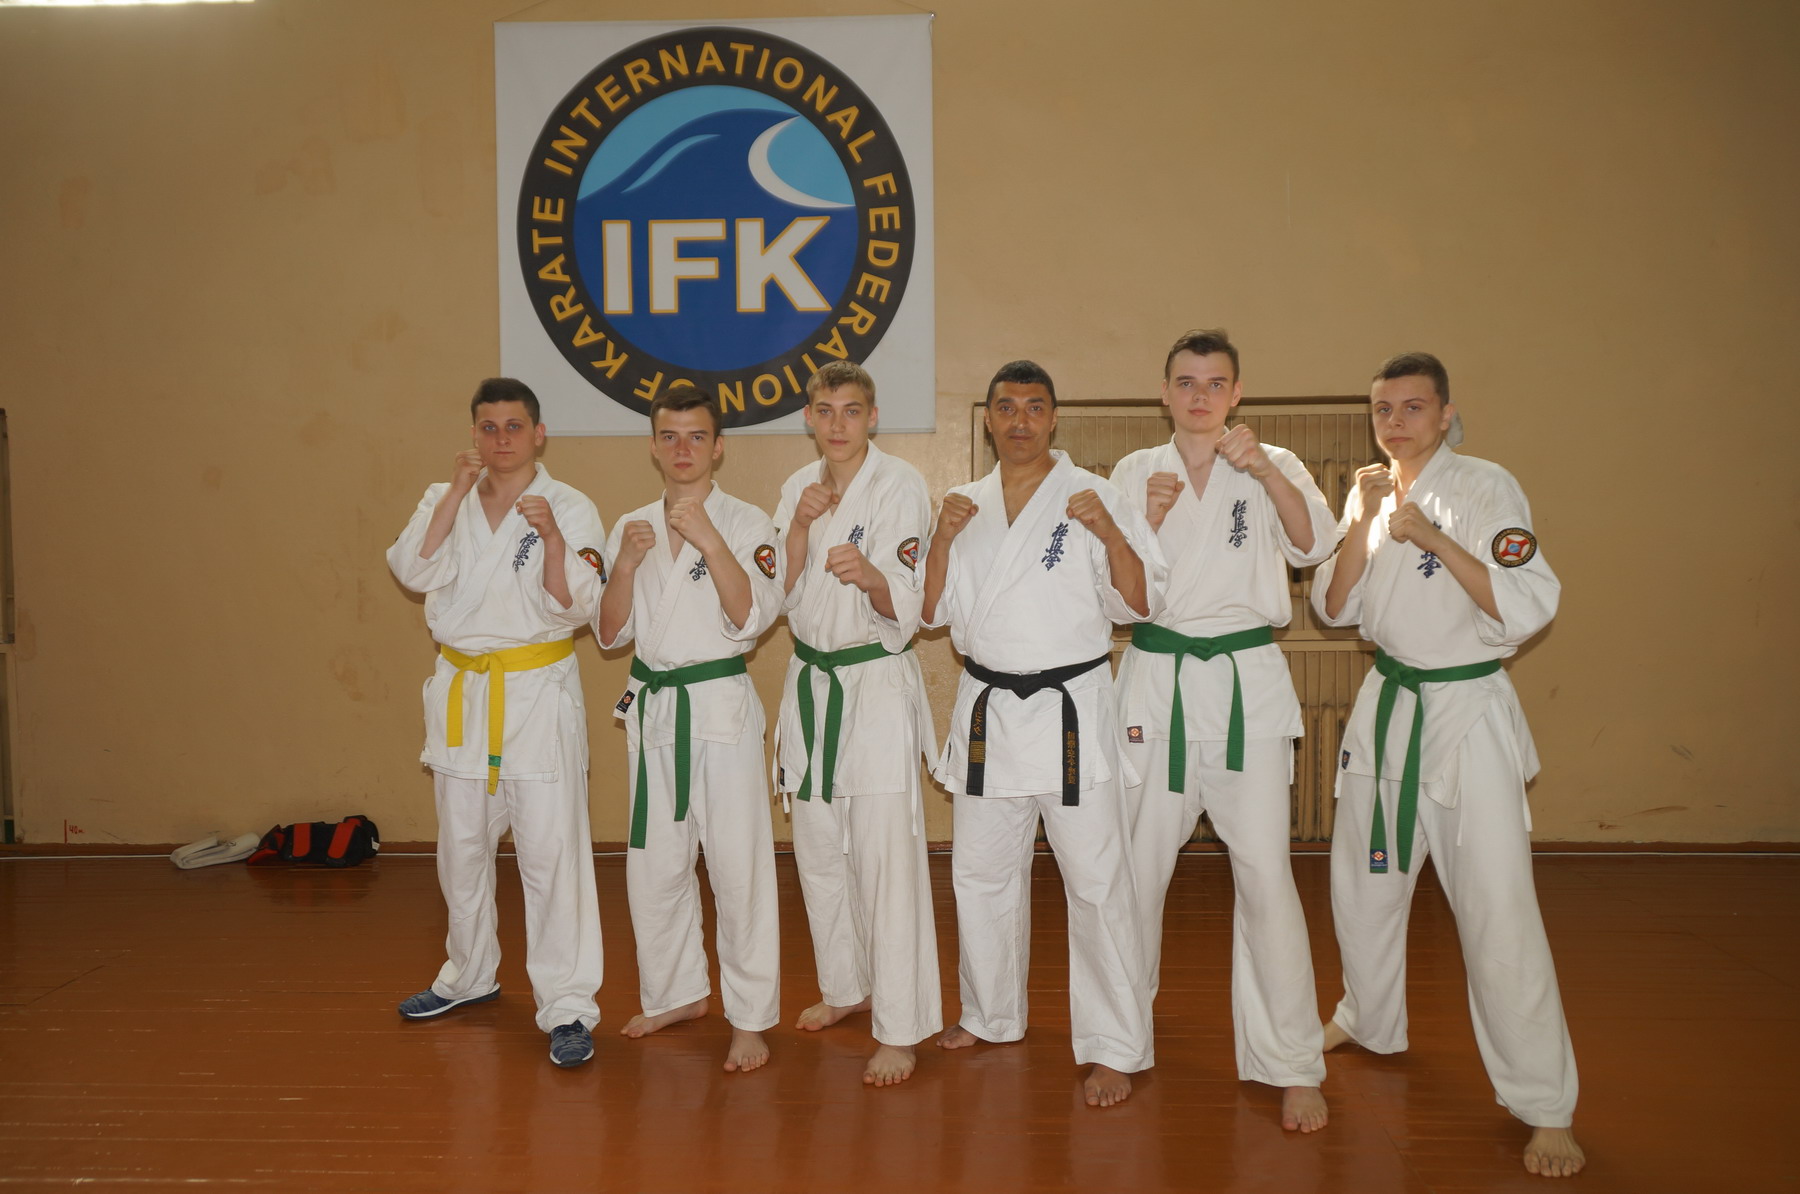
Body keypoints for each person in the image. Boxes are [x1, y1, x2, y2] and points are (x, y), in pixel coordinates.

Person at [1313, 352, 1583, 1177]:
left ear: (1445, 413)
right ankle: (1368, 1016)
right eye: (1382, 409)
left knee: (1497, 909)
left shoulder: (1485, 488)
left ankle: (1545, 1104)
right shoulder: (1370, 491)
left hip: (1466, 715)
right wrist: (1365, 518)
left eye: (1412, 407)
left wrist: (1430, 536)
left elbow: (1526, 603)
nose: (1395, 422)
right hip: (1389, 708)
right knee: (1361, 888)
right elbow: (1333, 607)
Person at [1112, 329, 1339, 1132]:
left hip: (1246, 685)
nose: (1200, 396)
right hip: (1156, 684)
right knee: (1135, 872)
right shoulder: (1134, 471)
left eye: (1215, 383)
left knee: (1267, 877)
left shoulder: (1274, 462)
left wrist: (1267, 472)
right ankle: (1118, 1040)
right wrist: (1142, 522)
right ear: (1164, 393)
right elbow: (1113, 595)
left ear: (1237, 393)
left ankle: (1290, 1060)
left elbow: (1314, 546)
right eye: (1186, 382)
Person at [923, 359, 1166, 1108]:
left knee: (1096, 882)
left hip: (1070, 710)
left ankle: (1116, 1045)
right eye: (1006, 407)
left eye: (1035, 407)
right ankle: (991, 1014)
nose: (1020, 421)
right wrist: (940, 541)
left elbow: (1140, 604)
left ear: (1054, 418)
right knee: (981, 873)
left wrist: (1112, 533)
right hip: (990, 711)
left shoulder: (1095, 495)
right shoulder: (963, 504)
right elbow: (929, 615)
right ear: (988, 419)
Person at [386, 377, 607, 1068]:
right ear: (474, 434)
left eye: (514, 427)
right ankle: (468, 975)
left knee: (551, 856)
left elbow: (578, 607)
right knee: (462, 849)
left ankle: (567, 1006)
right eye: (489, 427)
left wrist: (550, 539)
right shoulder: (442, 498)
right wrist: (454, 493)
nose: (501, 439)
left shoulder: (569, 505)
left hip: (536, 694)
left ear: (539, 434)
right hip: (464, 694)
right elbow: (410, 569)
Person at [596, 383, 784, 1074]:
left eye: (696, 436)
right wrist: (623, 567)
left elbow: (752, 618)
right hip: (655, 710)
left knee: (738, 868)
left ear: (718, 447)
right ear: (653, 445)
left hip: (719, 708)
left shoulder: (747, 521)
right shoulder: (631, 526)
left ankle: (750, 1017)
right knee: (655, 866)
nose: (683, 449)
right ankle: (677, 993)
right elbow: (609, 633)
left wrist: (709, 539)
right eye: (670, 437)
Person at [773, 361, 942, 1087]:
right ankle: (846, 985)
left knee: (883, 857)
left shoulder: (899, 484)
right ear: (808, 417)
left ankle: (900, 1026)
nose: (836, 423)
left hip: (872, 683)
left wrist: (871, 575)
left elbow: (910, 599)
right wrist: (800, 530)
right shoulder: (795, 489)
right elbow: (775, 597)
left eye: (850, 410)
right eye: (824, 410)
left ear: (872, 417)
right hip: (811, 681)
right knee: (818, 849)